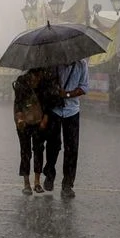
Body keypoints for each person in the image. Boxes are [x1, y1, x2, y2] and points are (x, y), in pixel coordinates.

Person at [43, 59, 89, 198]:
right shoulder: (54, 63)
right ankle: (49, 173)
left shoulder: (82, 65)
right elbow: (46, 83)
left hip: (72, 111)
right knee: (53, 145)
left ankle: (67, 184)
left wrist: (67, 94)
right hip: (55, 109)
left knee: (72, 149)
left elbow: (84, 87)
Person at [12, 68, 49, 195]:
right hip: (24, 122)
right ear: (30, 74)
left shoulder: (44, 82)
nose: (37, 79)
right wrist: (20, 118)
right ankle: (26, 183)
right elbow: (18, 103)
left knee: (39, 149)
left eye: (39, 76)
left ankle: (37, 182)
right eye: (35, 76)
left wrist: (45, 118)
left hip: (39, 122)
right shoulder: (21, 83)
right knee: (25, 150)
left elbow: (48, 103)